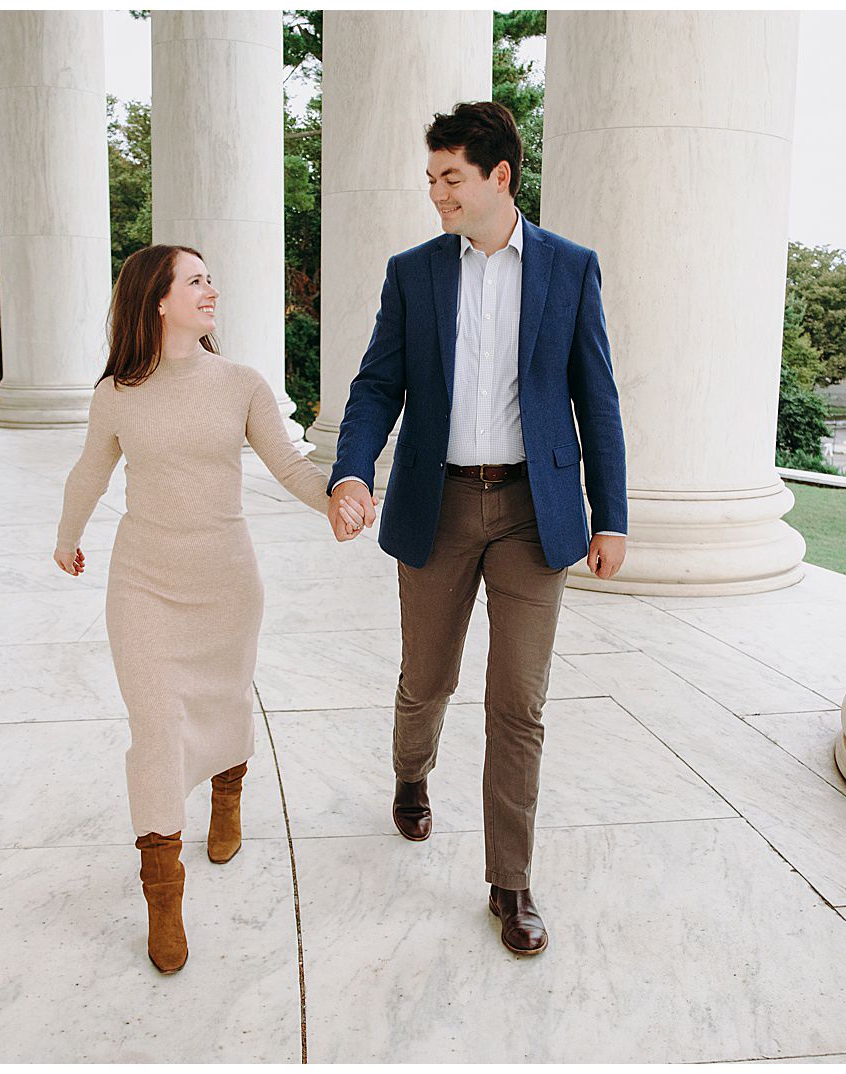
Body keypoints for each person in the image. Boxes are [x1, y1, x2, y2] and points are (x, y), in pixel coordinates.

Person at [326, 101, 628, 956]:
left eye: (449, 178)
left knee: (519, 704)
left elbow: (594, 397)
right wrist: (353, 470)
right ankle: (411, 776)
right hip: (440, 504)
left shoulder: (571, 269)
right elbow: (376, 385)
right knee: (427, 679)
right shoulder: (414, 272)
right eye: (430, 179)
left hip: (536, 513)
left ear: (499, 177)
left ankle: (511, 882)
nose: (436, 195)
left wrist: (614, 516)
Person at [54, 245, 367, 974]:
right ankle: (165, 901)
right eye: (196, 281)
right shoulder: (118, 393)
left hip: (226, 579)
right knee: (157, 729)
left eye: (209, 279)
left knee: (224, 702)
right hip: (143, 581)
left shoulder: (241, 383)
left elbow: (288, 462)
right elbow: (90, 471)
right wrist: (66, 537)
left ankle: (228, 795)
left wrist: (333, 500)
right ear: (158, 300)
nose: (211, 290)